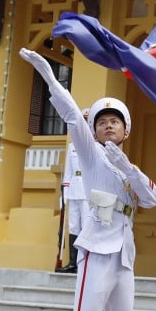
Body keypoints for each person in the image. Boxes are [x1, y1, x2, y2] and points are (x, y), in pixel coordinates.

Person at [19, 48, 156, 311]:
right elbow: (71, 114)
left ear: (127, 131)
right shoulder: (90, 154)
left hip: (123, 255)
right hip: (97, 250)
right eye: (102, 122)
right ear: (94, 129)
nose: (109, 126)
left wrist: (127, 167)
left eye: (116, 121)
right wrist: (51, 78)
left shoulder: (126, 165)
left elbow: (152, 197)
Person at [57, 109, 89, 274]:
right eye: (82, 120)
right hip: (75, 191)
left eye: (87, 120)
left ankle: (85, 263)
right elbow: (69, 172)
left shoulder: (95, 145)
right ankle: (73, 263)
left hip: (88, 193)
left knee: (86, 227)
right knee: (74, 226)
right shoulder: (72, 146)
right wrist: (64, 195)